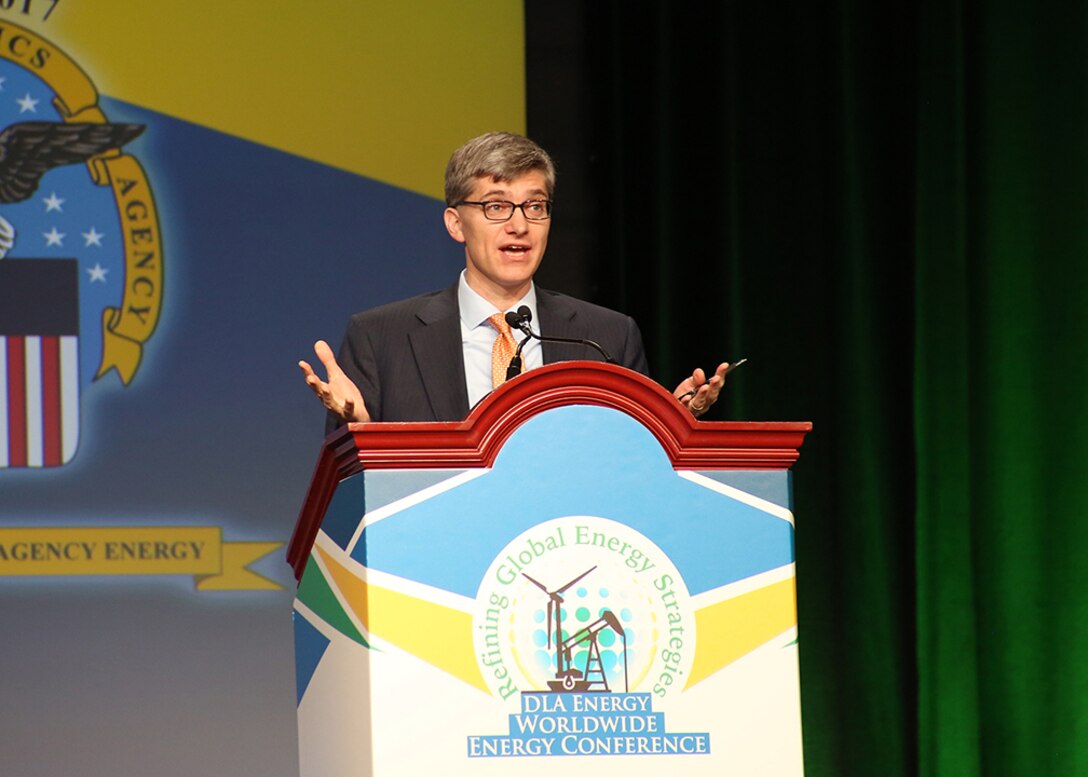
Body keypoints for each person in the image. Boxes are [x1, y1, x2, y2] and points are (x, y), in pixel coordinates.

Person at [299, 132, 729, 428]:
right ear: (455, 223)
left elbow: (628, 473)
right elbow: (350, 493)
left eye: (535, 206)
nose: (519, 225)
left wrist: (666, 427)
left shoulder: (607, 337)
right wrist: (358, 429)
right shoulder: (381, 338)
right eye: (496, 207)